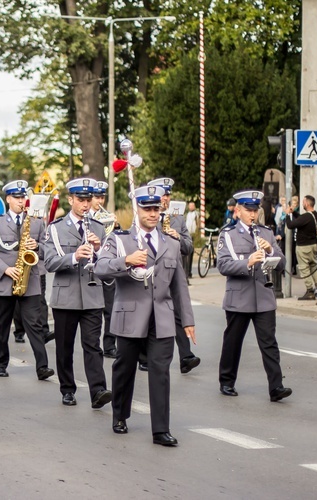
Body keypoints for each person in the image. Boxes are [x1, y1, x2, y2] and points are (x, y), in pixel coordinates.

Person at [96, 185, 196, 447]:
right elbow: (100, 268)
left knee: (161, 372)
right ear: (136, 209)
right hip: (130, 316)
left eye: (156, 209)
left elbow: (179, 286)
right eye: (147, 208)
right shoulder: (119, 240)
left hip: (161, 317)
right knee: (124, 368)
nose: (153, 213)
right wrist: (126, 260)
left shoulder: (171, 243)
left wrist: (187, 321)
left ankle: (161, 429)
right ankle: (120, 414)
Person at [216, 190, 292, 402]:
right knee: (233, 341)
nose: (253, 214)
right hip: (239, 296)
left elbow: (282, 263)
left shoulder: (266, 232)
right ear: (238, 211)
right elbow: (222, 265)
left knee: (269, 343)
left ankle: (276, 386)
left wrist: (270, 252)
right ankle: (226, 381)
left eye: (255, 210)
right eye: (248, 210)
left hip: (263, 296)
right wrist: (247, 262)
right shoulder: (228, 234)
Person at [43, 178, 112, 409]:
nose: (85, 204)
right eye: (80, 200)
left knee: (93, 345)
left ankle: (98, 390)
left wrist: (98, 249)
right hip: (66, 297)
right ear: (70, 200)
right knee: (65, 347)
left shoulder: (100, 228)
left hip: (92, 294)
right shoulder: (55, 228)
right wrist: (74, 256)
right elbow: (50, 262)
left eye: (88, 200)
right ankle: (67, 389)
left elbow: (109, 265)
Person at [0, 180, 54, 380]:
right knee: (2, 325)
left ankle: (42, 366)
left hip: (29, 281)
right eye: (16, 197)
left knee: (35, 325)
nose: (21, 201)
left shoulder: (37, 221)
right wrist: (5, 269)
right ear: (8, 199)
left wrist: (37, 247)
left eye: (23, 197)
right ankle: (0, 363)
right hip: (4, 281)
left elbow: (47, 248)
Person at [147, 178, 200, 374]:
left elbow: (188, 247)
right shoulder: (146, 216)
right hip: (154, 274)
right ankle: (144, 357)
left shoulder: (177, 218)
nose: (165, 199)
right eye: (162, 195)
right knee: (150, 313)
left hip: (174, 272)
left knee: (179, 313)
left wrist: (177, 237)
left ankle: (186, 356)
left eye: (168, 195)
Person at [88, 180, 118, 358]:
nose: (100, 200)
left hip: (106, 265)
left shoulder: (107, 216)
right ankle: (93, 344)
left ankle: (109, 344)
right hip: (89, 265)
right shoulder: (86, 216)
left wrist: (116, 225)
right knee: (93, 310)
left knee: (110, 307)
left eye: (102, 197)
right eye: (96, 197)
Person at [285, 195, 317, 299]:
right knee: (313, 266)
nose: (302, 203)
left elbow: (290, 225)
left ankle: (310, 291)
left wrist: (287, 215)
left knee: (304, 268)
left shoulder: (306, 217)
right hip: (313, 245)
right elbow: (301, 219)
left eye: (303, 202)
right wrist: (294, 212)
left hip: (303, 247)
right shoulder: (315, 215)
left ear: (307, 204)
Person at [185, 201, 198, 279]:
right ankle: (187, 272)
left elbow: (197, 223)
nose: (191, 207)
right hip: (187, 234)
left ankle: (189, 272)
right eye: (190, 205)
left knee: (190, 254)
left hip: (193, 234)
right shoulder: (187, 214)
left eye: (192, 205)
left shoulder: (196, 214)